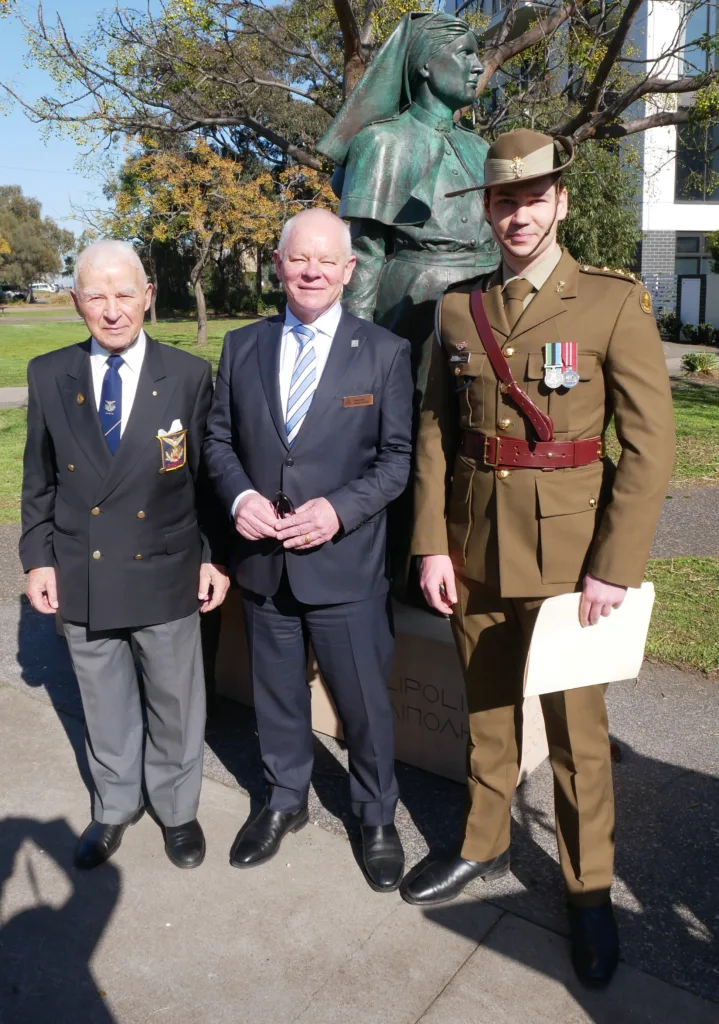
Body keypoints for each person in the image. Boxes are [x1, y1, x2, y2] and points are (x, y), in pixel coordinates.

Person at [400, 129, 676, 988]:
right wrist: (432, 542)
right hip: (475, 548)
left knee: (574, 737)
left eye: (531, 199)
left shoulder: (609, 303)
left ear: (559, 202)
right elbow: (437, 432)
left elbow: (650, 442)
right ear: (485, 210)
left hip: (570, 562)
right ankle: (482, 845)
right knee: (486, 713)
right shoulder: (458, 307)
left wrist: (613, 564)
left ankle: (587, 890)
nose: (516, 215)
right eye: (501, 201)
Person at [203, 209, 413, 892]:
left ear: (349, 270)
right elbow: (217, 443)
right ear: (278, 262)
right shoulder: (241, 347)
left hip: (346, 567)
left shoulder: (382, 352)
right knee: (276, 699)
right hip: (264, 564)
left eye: (327, 259)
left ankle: (376, 817)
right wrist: (239, 500)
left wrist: (337, 510)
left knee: (362, 707)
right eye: (300, 258)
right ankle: (284, 800)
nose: (313, 269)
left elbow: (395, 462)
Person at [20, 240, 229, 871]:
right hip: (85, 568)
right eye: (95, 295)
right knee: (103, 700)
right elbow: (39, 481)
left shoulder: (189, 375)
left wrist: (212, 556)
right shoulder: (48, 373)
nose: (112, 311)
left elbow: (207, 483)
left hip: (165, 564)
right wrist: (38, 559)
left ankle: (176, 808)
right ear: (77, 299)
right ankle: (113, 806)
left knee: (174, 699)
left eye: (123, 294)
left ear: (148, 295)